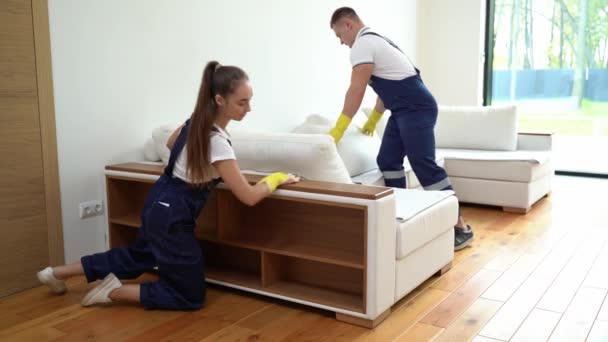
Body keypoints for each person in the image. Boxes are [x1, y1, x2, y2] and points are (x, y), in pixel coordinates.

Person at [36, 61, 299, 309]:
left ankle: (54, 273)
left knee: (137, 257)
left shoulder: (196, 120)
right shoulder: (217, 141)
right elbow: (249, 196)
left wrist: (201, 169)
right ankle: (113, 291)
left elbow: (172, 144)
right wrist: (276, 178)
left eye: (249, 100)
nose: (249, 108)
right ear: (220, 100)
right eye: (242, 102)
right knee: (191, 296)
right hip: (174, 215)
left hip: (158, 199)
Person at [327, 7, 473, 250]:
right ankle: (400, 211)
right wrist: (373, 119)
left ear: (348, 25)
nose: (341, 42)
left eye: (339, 35)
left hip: (416, 108)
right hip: (404, 110)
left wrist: (338, 130)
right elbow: (389, 88)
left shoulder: (363, 44)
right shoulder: (377, 42)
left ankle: (461, 227)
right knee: (388, 160)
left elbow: (356, 89)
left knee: (423, 164)